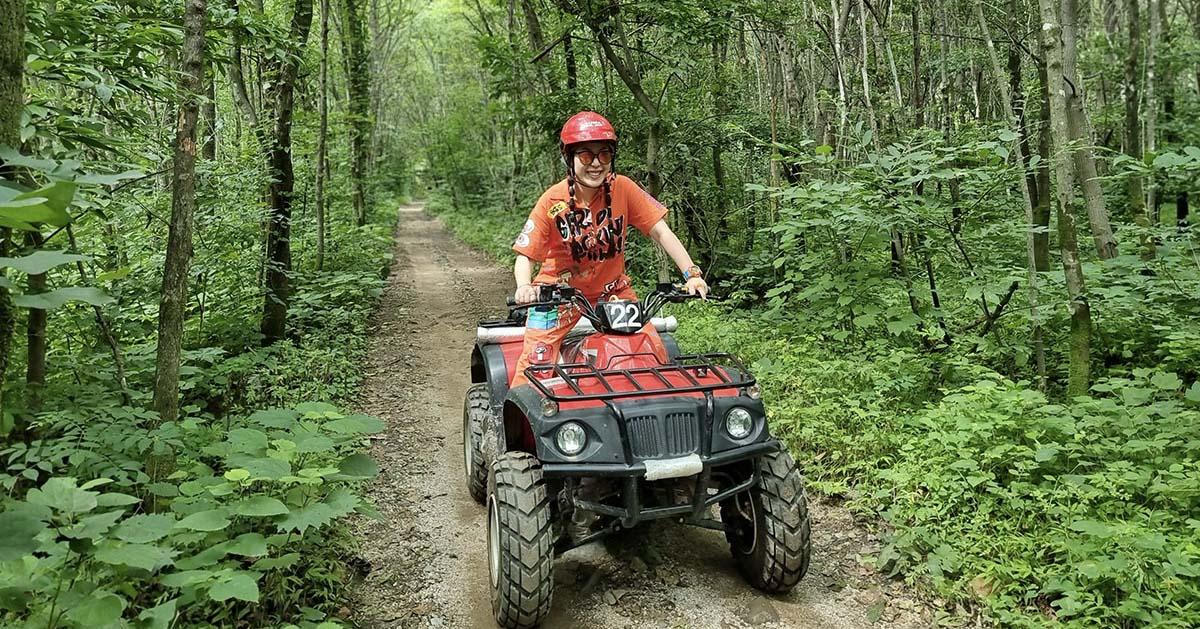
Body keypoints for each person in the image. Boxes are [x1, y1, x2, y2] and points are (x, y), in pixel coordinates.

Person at [509, 111, 709, 386]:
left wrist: (692, 274)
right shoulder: (552, 200)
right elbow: (525, 254)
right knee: (535, 365)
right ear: (569, 158)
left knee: (648, 353)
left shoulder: (623, 188)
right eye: (585, 156)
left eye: (604, 155)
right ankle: (516, 411)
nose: (596, 164)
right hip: (557, 296)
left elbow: (661, 231)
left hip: (612, 293)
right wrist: (524, 286)